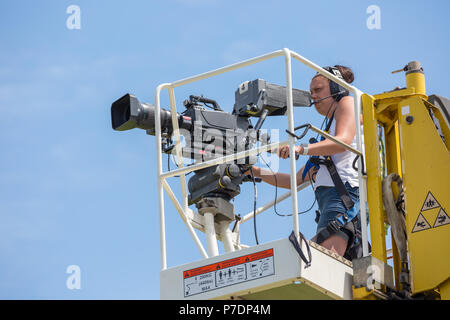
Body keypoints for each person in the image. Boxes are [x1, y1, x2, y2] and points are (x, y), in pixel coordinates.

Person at [249, 65, 363, 258]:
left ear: (337, 89)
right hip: (335, 201)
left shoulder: (347, 102)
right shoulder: (326, 137)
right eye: (311, 92)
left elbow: (343, 141)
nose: (313, 96)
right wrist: (255, 172)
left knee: (325, 263)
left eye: (318, 90)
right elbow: (294, 180)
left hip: (342, 200)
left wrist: (301, 149)